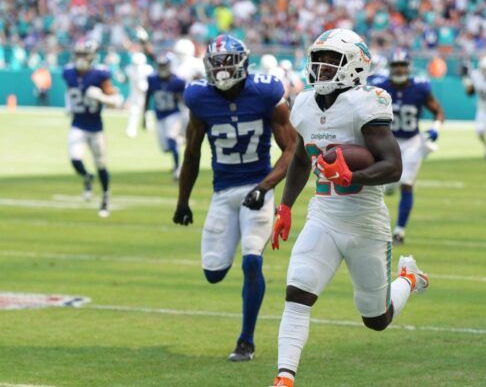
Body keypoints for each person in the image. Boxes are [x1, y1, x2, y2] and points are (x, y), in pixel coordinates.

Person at [270, 29, 429, 387]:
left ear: (354, 65)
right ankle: (284, 377)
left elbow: (393, 166)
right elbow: (299, 157)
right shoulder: (305, 103)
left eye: (332, 59)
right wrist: (285, 207)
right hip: (324, 215)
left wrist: (350, 173)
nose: (322, 66)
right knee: (297, 291)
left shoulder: (366, 102)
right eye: (319, 59)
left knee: (376, 319)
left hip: (365, 222)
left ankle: (408, 278)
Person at [172, 35, 297, 362]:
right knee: (213, 273)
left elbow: (292, 149)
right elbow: (191, 153)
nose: (223, 69)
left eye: (228, 61)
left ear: (242, 62)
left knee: (252, 260)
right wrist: (182, 201)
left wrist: (266, 186)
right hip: (223, 192)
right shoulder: (200, 98)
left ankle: (246, 341)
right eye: (217, 62)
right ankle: (244, 333)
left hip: (258, 187)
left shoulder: (266, 92)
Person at [374, 48, 446, 245]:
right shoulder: (379, 88)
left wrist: (435, 128)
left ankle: (399, 231)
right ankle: (378, 227)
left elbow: (438, 111)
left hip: (413, 141)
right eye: (395, 66)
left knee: (407, 183)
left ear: (408, 67)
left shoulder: (420, 88)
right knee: (387, 188)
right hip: (387, 142)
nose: (398, 70)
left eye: (402, 66)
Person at [63, 39, 124, 217]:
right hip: (78, 123)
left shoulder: (100, 74)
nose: (80, 58)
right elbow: (70, 91)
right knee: (75, 158)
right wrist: (69, 105)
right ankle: (87, 177)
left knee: (101, 164)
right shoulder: (68, 72)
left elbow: (117, 101)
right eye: (78, 54)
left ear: (92, 56)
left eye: (84, 54)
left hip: (96, 127)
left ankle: (105, 196)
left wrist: (101, 98)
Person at [144, 55, 186, 179]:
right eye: (160, 66)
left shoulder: (178, 81)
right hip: (159, 116)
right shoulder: (152, 79)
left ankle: (177, 168)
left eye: (164, 65)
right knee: (165, 148)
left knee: (171, 139)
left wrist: (180, 98)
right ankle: (179, 143)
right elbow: (148, 96)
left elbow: (184, 101)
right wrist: (144, 115)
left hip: (173, 114)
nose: (162, 68)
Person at [124, 52, 153, 138]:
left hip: (145, 92)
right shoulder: (129, 69)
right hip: (134, 93)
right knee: (134, 110)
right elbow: (126, 79)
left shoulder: (148, 69)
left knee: (146, 110)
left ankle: (147, 125)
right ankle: (131, 129)